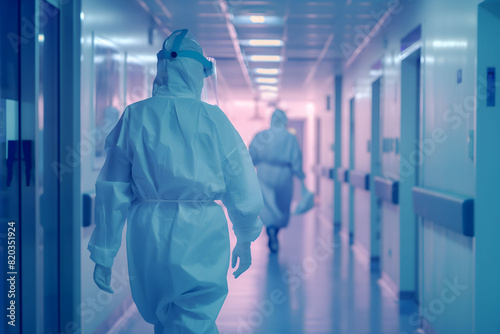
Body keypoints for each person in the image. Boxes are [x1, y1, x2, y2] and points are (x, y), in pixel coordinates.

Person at [88, 29, 263, 334]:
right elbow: (241, 181)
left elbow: (112, 189)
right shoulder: (213, 120)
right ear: (197, 72)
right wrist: (245, 235)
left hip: (147, 232)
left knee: (164, 319)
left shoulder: (134, 116)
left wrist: (105, 252)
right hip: (202, 231)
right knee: (194, 319)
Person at [249, 109, 305, 253]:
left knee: (268, 205)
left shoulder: (262, 135)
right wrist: (300, 175)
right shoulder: (290, 138)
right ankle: (275, 230)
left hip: (264, 172)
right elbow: (296, 160)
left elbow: (251, 156)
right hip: (284, 174)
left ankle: (270, 229)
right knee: (281, 205)